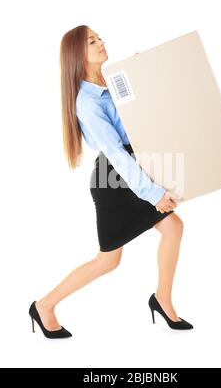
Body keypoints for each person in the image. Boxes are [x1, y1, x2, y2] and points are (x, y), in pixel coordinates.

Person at [29, 25, 193, 338]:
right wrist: (153, 192)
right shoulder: (86, 103)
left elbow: (140, 116)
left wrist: (141, 72)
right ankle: (44, 305)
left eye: (99, 36)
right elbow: (117, 154)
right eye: (92, 41)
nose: (101, 42)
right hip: (115, 179)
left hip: (134, 168)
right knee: (108, 260)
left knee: (173, 228)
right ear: (78, 55)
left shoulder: (112, 79)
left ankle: (163, 300)